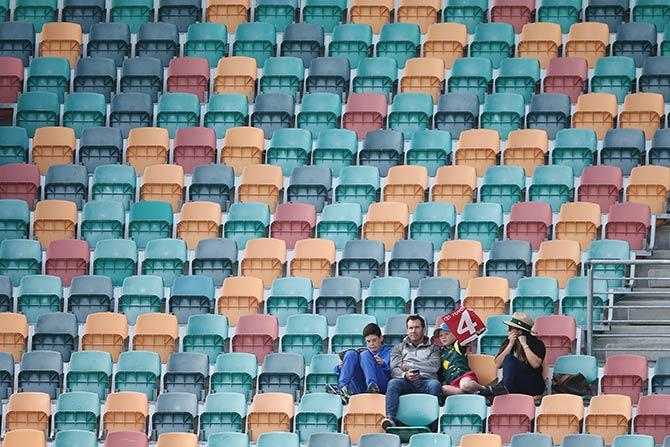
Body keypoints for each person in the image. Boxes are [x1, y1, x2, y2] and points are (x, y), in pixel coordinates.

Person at [381, 315, 442, 429]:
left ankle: (432, 426)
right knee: (393, 383)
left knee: (435, 385)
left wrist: (408, 365)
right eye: (410, 328)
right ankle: (390, 419)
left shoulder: (433, 348)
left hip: (426, 381)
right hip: (405, 381)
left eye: (417, 327)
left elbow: (434, 367)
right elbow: (394, 369)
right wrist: (405, 374)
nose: (413, 331)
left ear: (423, 329)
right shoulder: (398, 348)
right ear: (407, 330)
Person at [327, 322, 391, 403]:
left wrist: (383, 364)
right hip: (361, 385)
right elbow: (336, 371)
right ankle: (343, 389)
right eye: (368, 341)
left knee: (365, 354)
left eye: (374, 340)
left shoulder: (389, 352)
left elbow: (393, 373)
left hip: (380, 385)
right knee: (351, 354)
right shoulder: (363, 352)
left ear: (381, 338)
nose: (372, 344)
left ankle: (372, 386)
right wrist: (340, 366)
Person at [494, 312, 546, 396]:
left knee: (509, 359)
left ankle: (502, 389)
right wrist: (510, 344)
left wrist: (524, 345)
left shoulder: (537, 343)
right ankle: (503, 388)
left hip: (532, 385)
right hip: (513, 385)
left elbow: (536, 364)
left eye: (511, 328)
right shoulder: (508, 342)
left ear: (519, 331)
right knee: (508, 358)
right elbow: (498, 364)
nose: (508, 330)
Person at [434, 322, 493, 396]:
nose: (443, 337)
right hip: (453, 383)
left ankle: (485, 389)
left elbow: (467, 338)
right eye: (441, 335)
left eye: (447, 334)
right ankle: (476, 394)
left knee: (465, 385)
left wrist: (476, 332)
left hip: (465, 377)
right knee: (444, 389)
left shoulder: (457, 345)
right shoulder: (441, 353)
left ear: (455, 335)